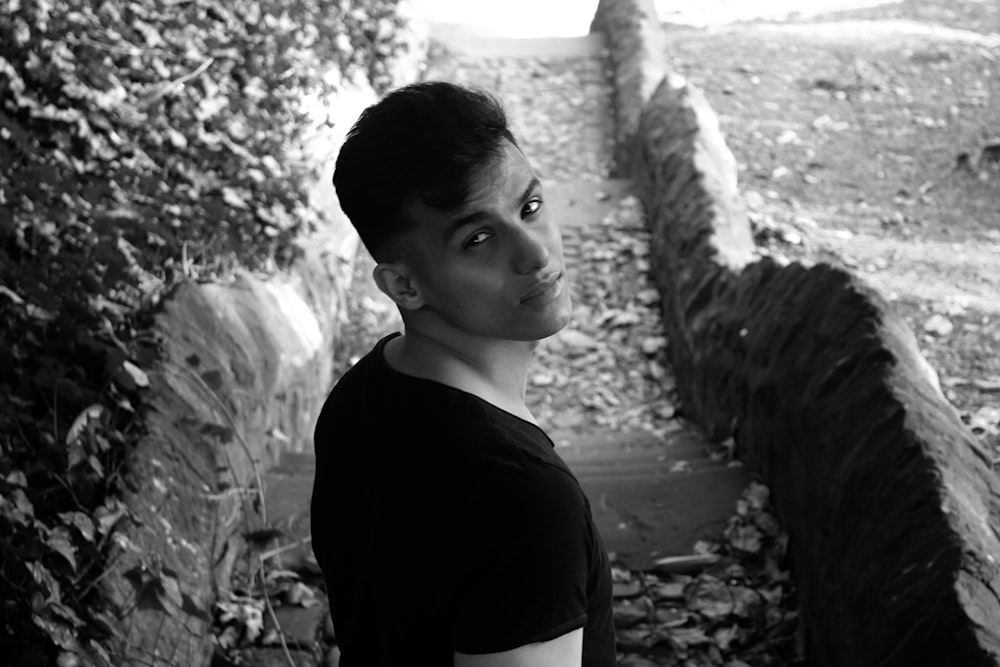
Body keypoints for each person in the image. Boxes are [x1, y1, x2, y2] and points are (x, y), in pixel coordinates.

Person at [310, 81, 615, 666]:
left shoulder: (361, 395)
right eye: (479, 239)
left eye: (530, 206)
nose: (535, 253)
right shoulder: (524, 501)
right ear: (404, 285)